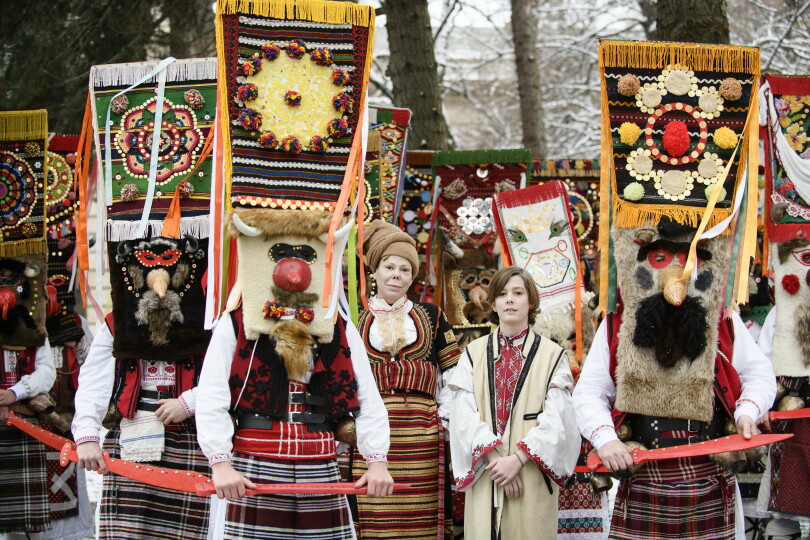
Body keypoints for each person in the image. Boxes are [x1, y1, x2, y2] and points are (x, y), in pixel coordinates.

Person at [195, 208, 393, 540]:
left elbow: (367, 397)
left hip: (320, 463)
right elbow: (212, 394)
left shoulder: (338, 326)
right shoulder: (235, 323)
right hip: (253, 463)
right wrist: (220, 463)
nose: (294, 270)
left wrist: (377, 461)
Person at [573, 224, 776, 540]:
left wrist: (747, 411)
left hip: (711, 475)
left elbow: (759, 375)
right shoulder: (616, 323)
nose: (676, 273)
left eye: (687, 259)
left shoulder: (724, 319)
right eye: (661, 259)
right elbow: (590, 391)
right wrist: (605, 438)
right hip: (643, 476)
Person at [72, 234, 213, 540]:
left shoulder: (206, 322)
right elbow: (94, 380)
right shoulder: (117, 323)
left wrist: (190, 402)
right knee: (126, 533)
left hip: (191, 437)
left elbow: (226, 377)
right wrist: (86, 435)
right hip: (131, 436)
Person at [449, 266, 580, 540]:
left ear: (531, 301)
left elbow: (558, 420)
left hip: (531, 472)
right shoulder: (472, 354)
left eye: (518, 293)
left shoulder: (553, 356)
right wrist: (497, 461)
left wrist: (518, 460)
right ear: (493, 304)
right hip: (488, 472)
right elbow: (462, 414)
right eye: (502, 293)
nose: (509, 299)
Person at [351, 220, 460, 539]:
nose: (396, 275)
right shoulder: (354, 320)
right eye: (389, 267)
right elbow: (344, 379)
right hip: (370, 435)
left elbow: (454, 376)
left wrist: (444, 420)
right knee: (373, 513)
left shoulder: (433, 316)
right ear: (374, 272)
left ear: (413, 277)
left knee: (421, 515)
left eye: (405, 269)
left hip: (423, 436)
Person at [0, 341, 55, 539]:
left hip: (23, 423)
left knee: (27, 521)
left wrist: (14, 393)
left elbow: (47, 372)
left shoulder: (34, 328)